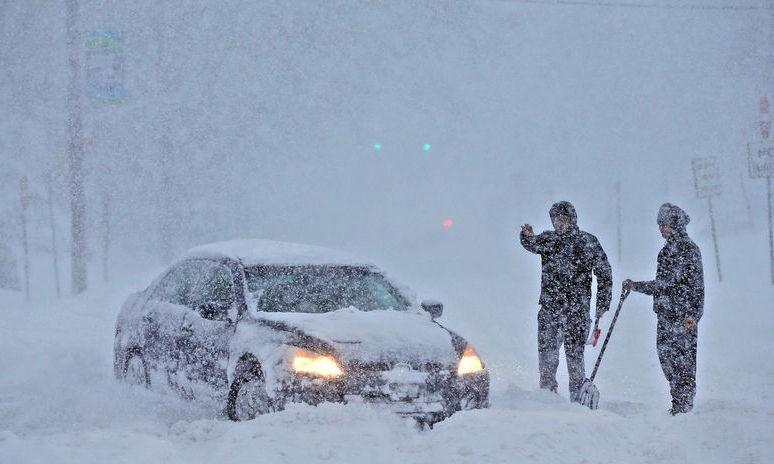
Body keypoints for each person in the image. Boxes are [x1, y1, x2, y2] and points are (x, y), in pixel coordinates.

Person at [520, 201, 612, 400]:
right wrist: (526, 236)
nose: (559, 224)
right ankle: (547, 395)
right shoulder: (548, 239)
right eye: (556, 220)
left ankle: (577, 398)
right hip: (549, 309)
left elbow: (604, 273)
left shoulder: (587, 242)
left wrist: (603, 303)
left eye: (564, 219)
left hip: (576, 311)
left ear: (572, 220)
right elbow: (532, 244)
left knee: (575, 356)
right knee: (547, 355)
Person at [624, 203, 704, 415]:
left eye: (665, 224)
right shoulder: (665, 252)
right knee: (667, 360)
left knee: (684, 363)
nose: (662, 229)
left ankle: (683, 405)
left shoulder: (690, 251)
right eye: (660, 225)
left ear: (676, 224)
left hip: (683, 318)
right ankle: (678, 400)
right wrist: (636, 286)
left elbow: (698, 287)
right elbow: (663, 285)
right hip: (665, 316)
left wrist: (693, 316)